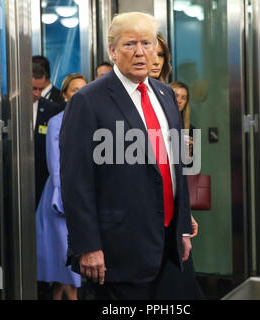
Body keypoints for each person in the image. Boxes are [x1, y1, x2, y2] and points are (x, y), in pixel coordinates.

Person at [60, 12, 194, 300]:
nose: (140, 52)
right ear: (112, 50)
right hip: (116, 252)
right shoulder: (88, 100)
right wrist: (87, 245)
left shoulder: (164, 94)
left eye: (147, 44)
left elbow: (175, 166)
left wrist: (182, 226)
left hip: (168, 247)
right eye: (129, 44)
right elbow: (76, 180)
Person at [148, 33, 204, 300]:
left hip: (172, 212)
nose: (155, 61)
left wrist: (184, 210)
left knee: (181, 284)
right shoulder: (125, 100)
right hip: (142, 213)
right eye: (153, 54)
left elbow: (179, 170)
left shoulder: (166, 95)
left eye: (161, 56)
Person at [36, 74, 88, 300]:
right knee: (65, 255)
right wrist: (60, 195)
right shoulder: (57, 121)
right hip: (62, 194)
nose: (80, 94)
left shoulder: (97, 119)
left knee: (61, 268)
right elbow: (54, 163)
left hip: (87, 194)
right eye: (74, 90)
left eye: (84, 89)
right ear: (65, 95)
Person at [33, 63, 64, 206]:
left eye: (41, 89)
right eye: (33, 88)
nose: (37, 94)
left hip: (43, 175)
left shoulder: (52, 109)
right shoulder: (6, 107)